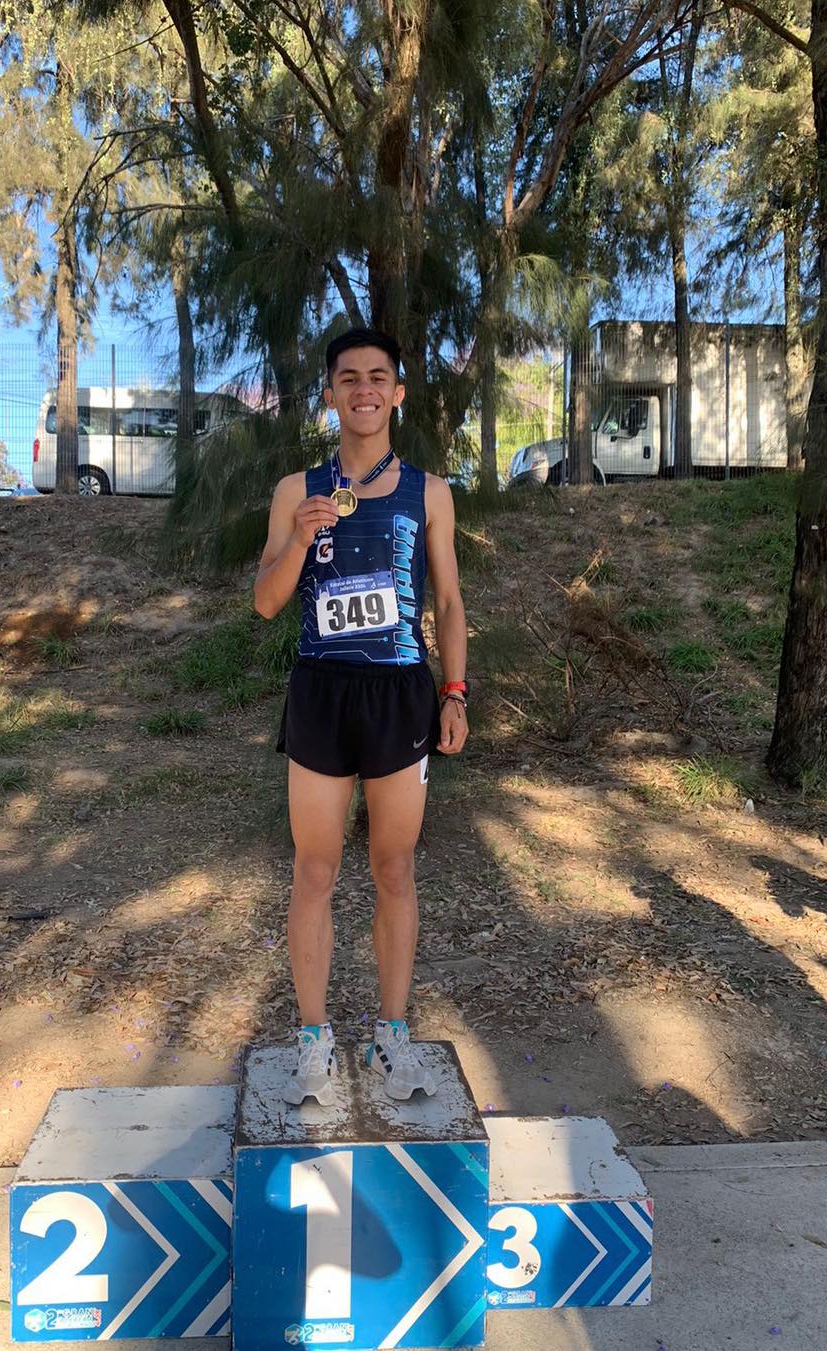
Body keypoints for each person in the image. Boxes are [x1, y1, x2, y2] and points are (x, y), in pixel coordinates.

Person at [253, 328, 469, 1105]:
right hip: (321, 690)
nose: (365, 389)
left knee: (395, 867)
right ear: (331, 393)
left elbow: (447, 601)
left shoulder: (430, 492)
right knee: (314, 869)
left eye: (379, 376)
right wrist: (302, 535)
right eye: (349, 378)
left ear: (398, 393)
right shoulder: (294, 490)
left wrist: (455, 691)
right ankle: (313, 1044)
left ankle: (391, 1039)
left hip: (399, 694)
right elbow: (266, 600)